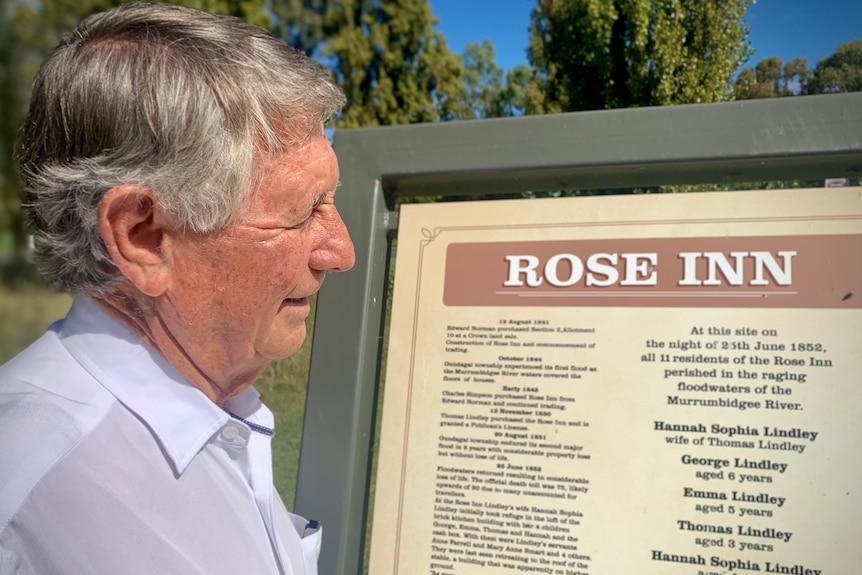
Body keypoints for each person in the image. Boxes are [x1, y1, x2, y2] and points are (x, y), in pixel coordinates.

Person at [0, 3, 354, 574]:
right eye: (303, 211)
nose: (341, 253)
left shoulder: (216, 405)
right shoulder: (24, 497)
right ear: (143, 237)